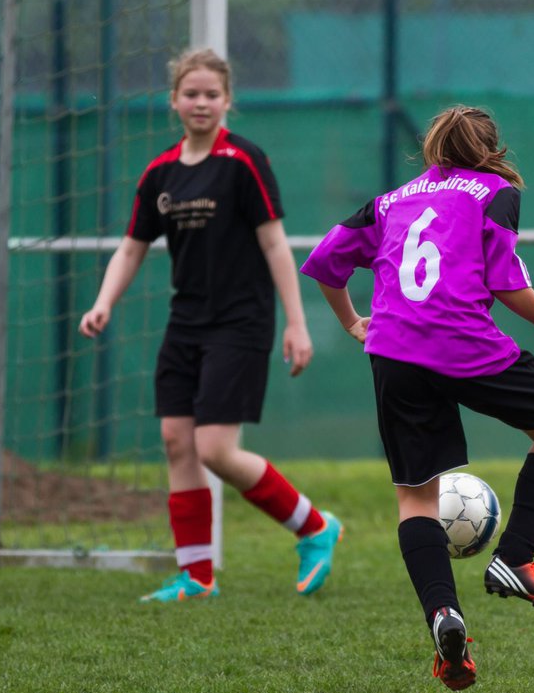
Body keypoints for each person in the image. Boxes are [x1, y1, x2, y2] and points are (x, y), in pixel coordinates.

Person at [300, 105, 534, 690]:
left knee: (417, 500)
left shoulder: (390, 199)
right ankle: (515, 559)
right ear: (491, 149)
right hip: (463, 343)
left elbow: (325, 264)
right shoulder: (495, 192)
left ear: (433, 148)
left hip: (393, 350)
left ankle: (445, 615)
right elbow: (507, 283)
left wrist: (352, 324)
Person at [80, 49, 341, 603]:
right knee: (177, 442)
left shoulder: (244, 161)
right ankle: (197, 576)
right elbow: (131, 249)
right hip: (186, 322)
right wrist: (103, 302)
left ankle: (315, 526)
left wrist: (297, 324)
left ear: (227, 101)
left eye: (212, 94)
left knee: (216, 449)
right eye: (191, 93)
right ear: (174, 100)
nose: (201, 103)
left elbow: (274, 243)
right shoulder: (160, 173)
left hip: (241, 322)